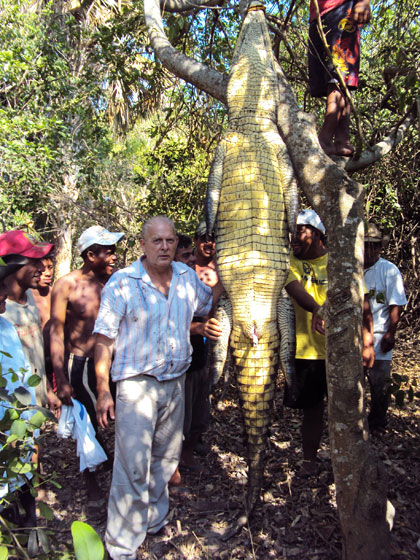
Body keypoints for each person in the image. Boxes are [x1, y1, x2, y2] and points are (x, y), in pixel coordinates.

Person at [94, 216, 219, 560]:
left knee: (165, 458)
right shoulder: (122, 283)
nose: (164, 247)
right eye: (157, 241)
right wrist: (104, 390)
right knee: (132, 465)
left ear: (177, 244)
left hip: (174, 384)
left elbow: (208, 302)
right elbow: (103, 340)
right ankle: (121, 546)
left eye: (170, 241)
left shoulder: (186, 278)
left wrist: (231, 268)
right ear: (143, 245)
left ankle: (153, 519)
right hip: (136, 386)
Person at [285, 209, 374, 475]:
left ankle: (350, 464)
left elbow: (364, 304)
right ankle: (310, 461)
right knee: (312, 410)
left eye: (300, 230)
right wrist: (317, 309)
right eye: (292, 231)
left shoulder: (339, 263)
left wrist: (367, 344)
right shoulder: (289, 261)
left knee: (348, 410)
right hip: (306, 350)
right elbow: (294, 288)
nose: (294, 238)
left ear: (317, 233)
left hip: (343, 350)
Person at [50, 225, 124, 507]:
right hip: (78, 364)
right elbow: (56, 332)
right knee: (87, 425)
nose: (114, 256)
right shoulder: (67, 285)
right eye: (109, 252)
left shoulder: (115, 282)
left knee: (116, 420)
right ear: (91, 255)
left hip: (110, 363)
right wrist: (61, 380)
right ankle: (92, 484)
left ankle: (117, 471)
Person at [174, 234, 222, 472]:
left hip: (200, 358)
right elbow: (165, 322)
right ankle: (173, 465)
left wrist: (223, 281)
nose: (193, 259)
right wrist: (196, 328)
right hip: (179, 364)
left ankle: (188, 455)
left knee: (198, 414)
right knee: (178, 418)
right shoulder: (166, 283)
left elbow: (207, 305)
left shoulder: (192, 281)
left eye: (192, 255)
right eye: (186, 256)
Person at [0, 230, 60, 413]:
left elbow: (35, 354)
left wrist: (47, 390)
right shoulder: (3, 310)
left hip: (35, 404)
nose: (42, 268)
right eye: (34, 262)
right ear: (13, 265)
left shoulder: (31, 298)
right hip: (10, 411)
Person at [0, 259, 38, 529]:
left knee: (23, 486)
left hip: (18, 427)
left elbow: (21, 374)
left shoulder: (5, 327)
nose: (4, 294)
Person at [308, 0, 371, 156]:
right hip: (319, 15)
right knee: (328, 76)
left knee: (337, 74)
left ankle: (325, 137)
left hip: (341, 9)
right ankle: (343, 140)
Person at [364, 223, 407, 431]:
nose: (370, 251)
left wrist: (391, 332)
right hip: (355, 337)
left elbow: (395, 304)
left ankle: (378, 423)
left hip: (380, 336)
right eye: (366, 246)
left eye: (374, 246)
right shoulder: (350, 269)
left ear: (380, 247)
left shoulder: (388, 270)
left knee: (379, 385)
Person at [31, 256, 55, 387]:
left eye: (50, 267)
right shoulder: (26, 298)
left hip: (56, 363)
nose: (47, 273)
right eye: (42, 269)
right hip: (35, 364)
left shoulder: (57, 293)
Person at [194, 221, 219, 288]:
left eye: (213, 239)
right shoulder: (185, 268)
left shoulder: (223, 269)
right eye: (204, 239)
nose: (209, 243)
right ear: (195, 241)